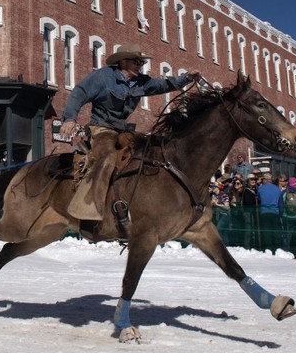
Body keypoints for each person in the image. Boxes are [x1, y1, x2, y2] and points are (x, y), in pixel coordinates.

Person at [58, 44, 199, 224]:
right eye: (137, 61)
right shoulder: (103, 77)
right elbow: (79, 92)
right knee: (107, 156)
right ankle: (87, 208)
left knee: (146, 153)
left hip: (122, 130)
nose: (140, 65)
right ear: (123, 61)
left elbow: (164, 84)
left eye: (141, 62)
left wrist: (187, 78)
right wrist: (70, 118)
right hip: (101, 128)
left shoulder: (141, 82)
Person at [280, 176, 296, 258]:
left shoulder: (284, 193)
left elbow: (280, 205)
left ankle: (286, 253)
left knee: (287, 237)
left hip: (287, 217)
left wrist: (282, 215)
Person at [257, 172, 282, 251]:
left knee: (266, 232)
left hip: (264, 212)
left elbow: (259, 198)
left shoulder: (261, 188)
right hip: (275, 212)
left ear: (266, 180)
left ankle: (267, 248)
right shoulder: (277, 188)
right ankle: (277, 248)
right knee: (276, 231)